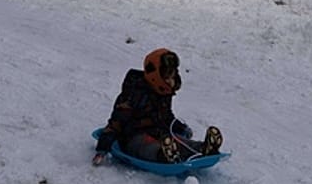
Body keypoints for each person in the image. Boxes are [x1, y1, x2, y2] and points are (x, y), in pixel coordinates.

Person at [94, 48, 223, 166]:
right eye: (167, 76)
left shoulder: (163, 92)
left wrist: (179, 127)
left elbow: (166, 116)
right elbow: (116, 123)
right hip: (133, 136)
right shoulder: (135, 94)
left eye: (172, 76)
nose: (171, 81)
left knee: (176, 140)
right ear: (156, 76)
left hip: (159, 132)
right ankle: (164, 155)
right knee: (147, 145)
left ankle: (202, 148)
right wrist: (102, 148)